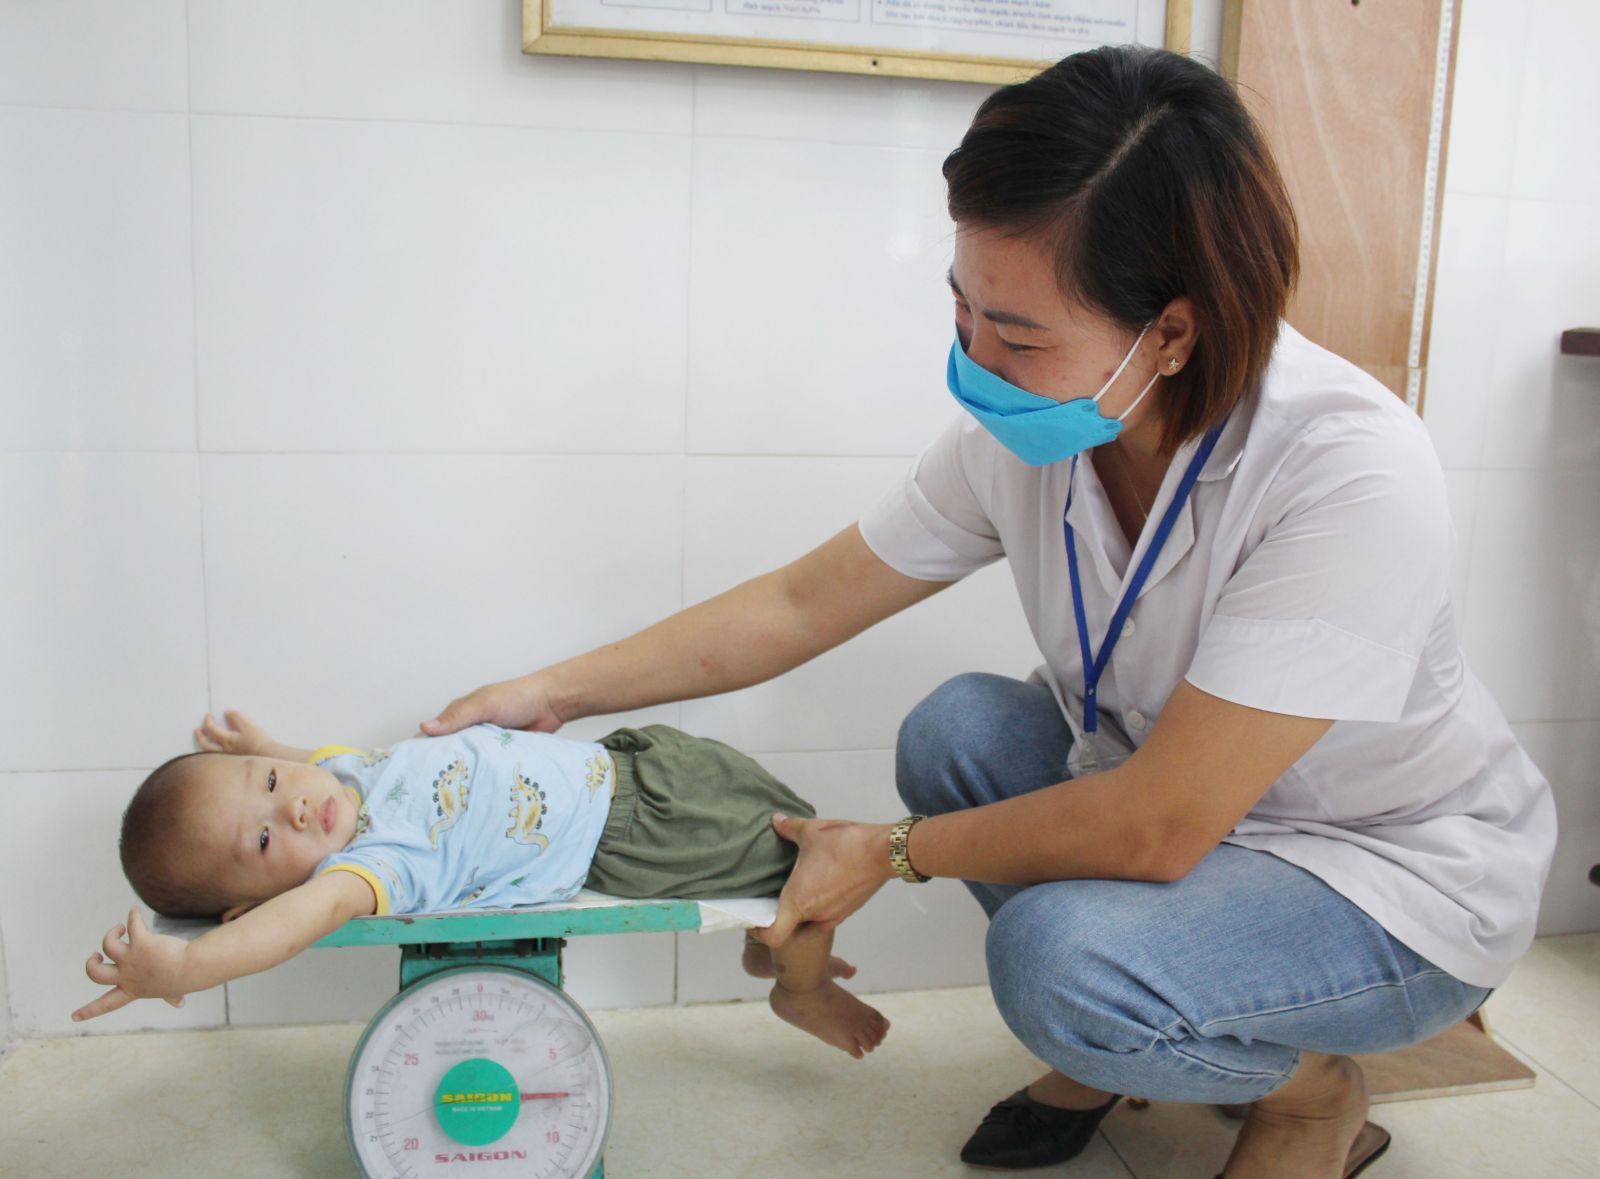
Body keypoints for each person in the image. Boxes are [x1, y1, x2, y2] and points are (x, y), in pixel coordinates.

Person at [417, 45, 1553, 1178]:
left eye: (1019, 335)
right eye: (963, 309)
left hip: (1380, 873)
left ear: (1171, 332)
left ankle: (1308, 1094)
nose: (975, 359)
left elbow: (1158, 825)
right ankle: (1129, 1040)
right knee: (956, 730)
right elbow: (803, 601)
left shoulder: (1348, 472)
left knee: (1058, 963)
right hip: (1186, 813)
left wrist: (890, 852)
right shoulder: (1030, 436)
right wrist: (549, 692)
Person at [72, 709, 889, 1059]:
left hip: (634, 762)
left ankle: (764, 950)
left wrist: (266, 748)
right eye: (260, 838)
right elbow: (281, 931)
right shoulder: (368, 870)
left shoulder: (344, 781)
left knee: (791, 819)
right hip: (638, 834)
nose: (290, 807)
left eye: (268, 780)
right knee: (811, 869)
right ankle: (799, 987)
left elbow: (305, 767)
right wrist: (185, 966)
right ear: (250, 902)